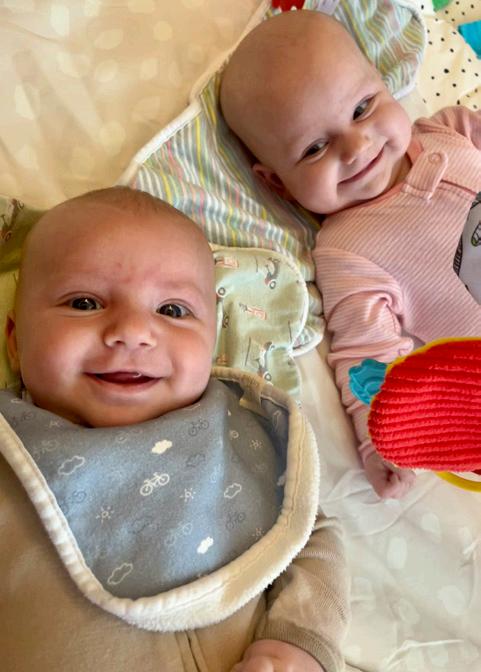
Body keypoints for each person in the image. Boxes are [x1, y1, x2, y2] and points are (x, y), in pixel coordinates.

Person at [1, 186, 349, 672]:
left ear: (211, 341)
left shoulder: (239, 438)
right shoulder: (10, 452)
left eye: (171, 310)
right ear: (15, 344)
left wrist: (299, 644)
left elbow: (310, 534)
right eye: (83, 302)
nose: (132, 331)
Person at [220, 9, 481, 499]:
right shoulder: (346, 251)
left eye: (362, 108)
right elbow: (366, 354)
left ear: (383, 84)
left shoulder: (449, 130)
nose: (356, 146)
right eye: (315, 148)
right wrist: (379, 441)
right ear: (277, 183)